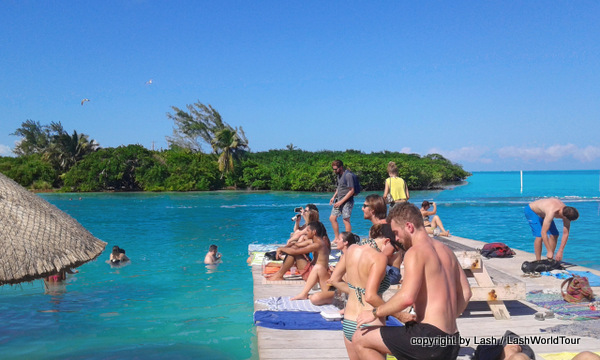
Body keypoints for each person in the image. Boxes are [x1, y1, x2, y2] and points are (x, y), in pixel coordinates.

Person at [352, 202, 472, 360]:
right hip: (452, 339)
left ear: (409, 226)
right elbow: (466, 292)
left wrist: (374, 312)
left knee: (360, 338)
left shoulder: (415, 252)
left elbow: (407, 297)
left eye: (396, 232)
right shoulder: (447, 251)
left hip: (428, 338)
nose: (396, 238)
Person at [329, 224, 403, 360]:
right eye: (395, 248)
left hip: (349, 321)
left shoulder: (351, 249)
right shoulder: (379, 258)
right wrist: (401, 316)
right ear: (386, 241)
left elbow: (334, 280)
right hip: (370, 323)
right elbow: (371, 297)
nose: (394, 253)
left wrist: (354, 292)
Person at [292, 231, 358, 305]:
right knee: (318, 267)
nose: (336, 241)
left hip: (344, 291)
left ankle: (313, 296)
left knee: (315, 298)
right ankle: (304, 294)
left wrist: (336, 276)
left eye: (339, 239)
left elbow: (350, 281)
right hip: (336, 287)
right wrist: (334, 272)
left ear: (345, 242)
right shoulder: (342, 256)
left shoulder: (350, 257)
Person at [362, 194, 403, 285]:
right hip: (384, 269)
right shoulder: (378, 227)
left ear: (372, 210)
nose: (362, 209)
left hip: (391, 273)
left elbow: (389, 250)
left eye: (365, 206)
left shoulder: (386, 227)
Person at [329, 160, 357, 240]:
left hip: (347, 201)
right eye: (333, 169)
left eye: (335, 169)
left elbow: (352, 190)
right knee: (332, 218)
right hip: (339, 200)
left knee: (345, 219)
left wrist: (341, 201)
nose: (334, 171)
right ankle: (337, 238)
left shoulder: (348, 175)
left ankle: (348, 239)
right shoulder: (338, 175)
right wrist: (333, 197)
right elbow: (339, 187)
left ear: (341, 167)